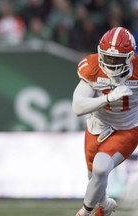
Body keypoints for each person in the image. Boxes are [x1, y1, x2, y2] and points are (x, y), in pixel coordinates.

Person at [72, 26, 138, 216]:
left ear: (129, 57)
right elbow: (77, 107)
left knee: (101, 170)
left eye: (116, 59)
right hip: (97, 126)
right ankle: (105, 205)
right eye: (107, 57)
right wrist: (108, 98)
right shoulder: (92, 67)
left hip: (128, 128)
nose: (110, 63)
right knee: (93, 175)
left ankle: (84, 213)